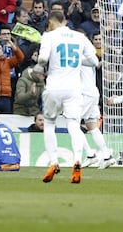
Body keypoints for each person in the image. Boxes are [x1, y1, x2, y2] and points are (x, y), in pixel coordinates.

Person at [38, 11, 99, 184]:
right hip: (74, 88)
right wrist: (77, 62)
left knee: (49, 124)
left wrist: (43, 64)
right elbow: (94, 60)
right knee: (73, 125)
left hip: (54, 86)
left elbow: (42, 59)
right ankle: (77, 159)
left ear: (51, 21)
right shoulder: (79, 37)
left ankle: (53, 161)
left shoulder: (49, 36)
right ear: (65, 21)